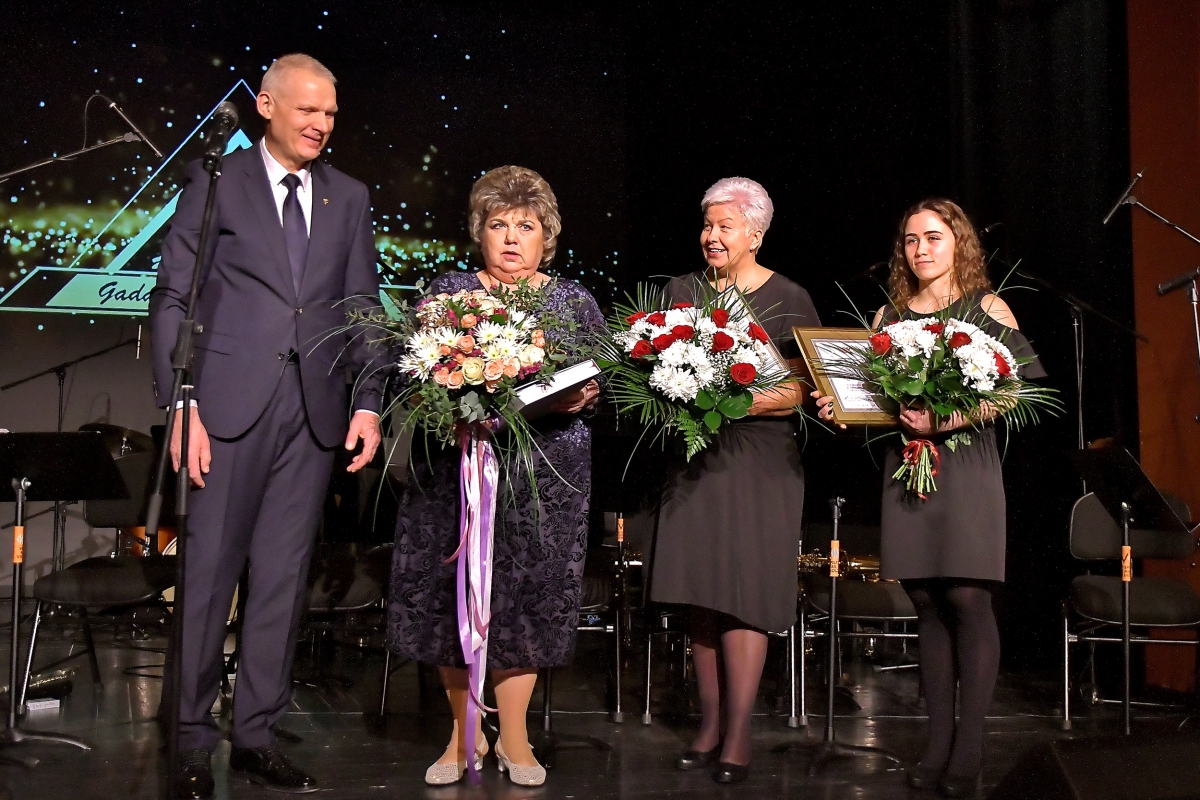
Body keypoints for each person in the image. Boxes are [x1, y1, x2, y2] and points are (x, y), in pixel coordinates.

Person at [150, 54, 384, 799]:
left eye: (330, 114)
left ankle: (255, 736)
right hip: (223, 410)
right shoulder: (217, 178)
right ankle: (189, 741)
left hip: (312, 413)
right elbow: (173, 297)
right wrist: (182, 405)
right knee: (208, 578)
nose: (321, 125)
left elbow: (362, 305)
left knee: (282, 583)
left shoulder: (349, 196)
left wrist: (368, 400)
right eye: (307, 109)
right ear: (266, 106)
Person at [817, 198, 1045, 798]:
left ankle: (969, 747)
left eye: (933, 237)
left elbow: (1017, 390)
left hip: (966, 465)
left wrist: (952, 417)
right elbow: (874, 398)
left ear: (958, 242)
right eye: (911, 240)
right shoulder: (888, 315)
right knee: (924, 601)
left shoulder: (986, 307)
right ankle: (937, 742)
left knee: (967, 596)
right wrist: (841, 408)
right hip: (907, 464)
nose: (920, 249)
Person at [387, 166, 602, 787]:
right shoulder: (449, 294)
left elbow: (604, 385)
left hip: (545, 476)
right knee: (453, 596)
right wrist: (450, 392)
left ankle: (514, 737)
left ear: (546, 238)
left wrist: (582, 396)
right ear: (479, 232)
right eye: (499, 224)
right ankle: (462, 737)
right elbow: (412, 375)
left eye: (526, 227)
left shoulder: (572, 301)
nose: (511, 238)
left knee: (525, 600)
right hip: (454, 474)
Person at [650, 177, 819, 784]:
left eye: (725, 226)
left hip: (760, 463)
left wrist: (733, 401)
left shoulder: (789, 296)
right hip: (697, 459)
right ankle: (710, 723)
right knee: (700, 592)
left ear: (756, 234)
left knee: (744, 594)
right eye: (707, 225)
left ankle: (740, 734)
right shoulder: (681, 291)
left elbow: (802, 389)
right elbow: (653, 367)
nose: (712, 236)